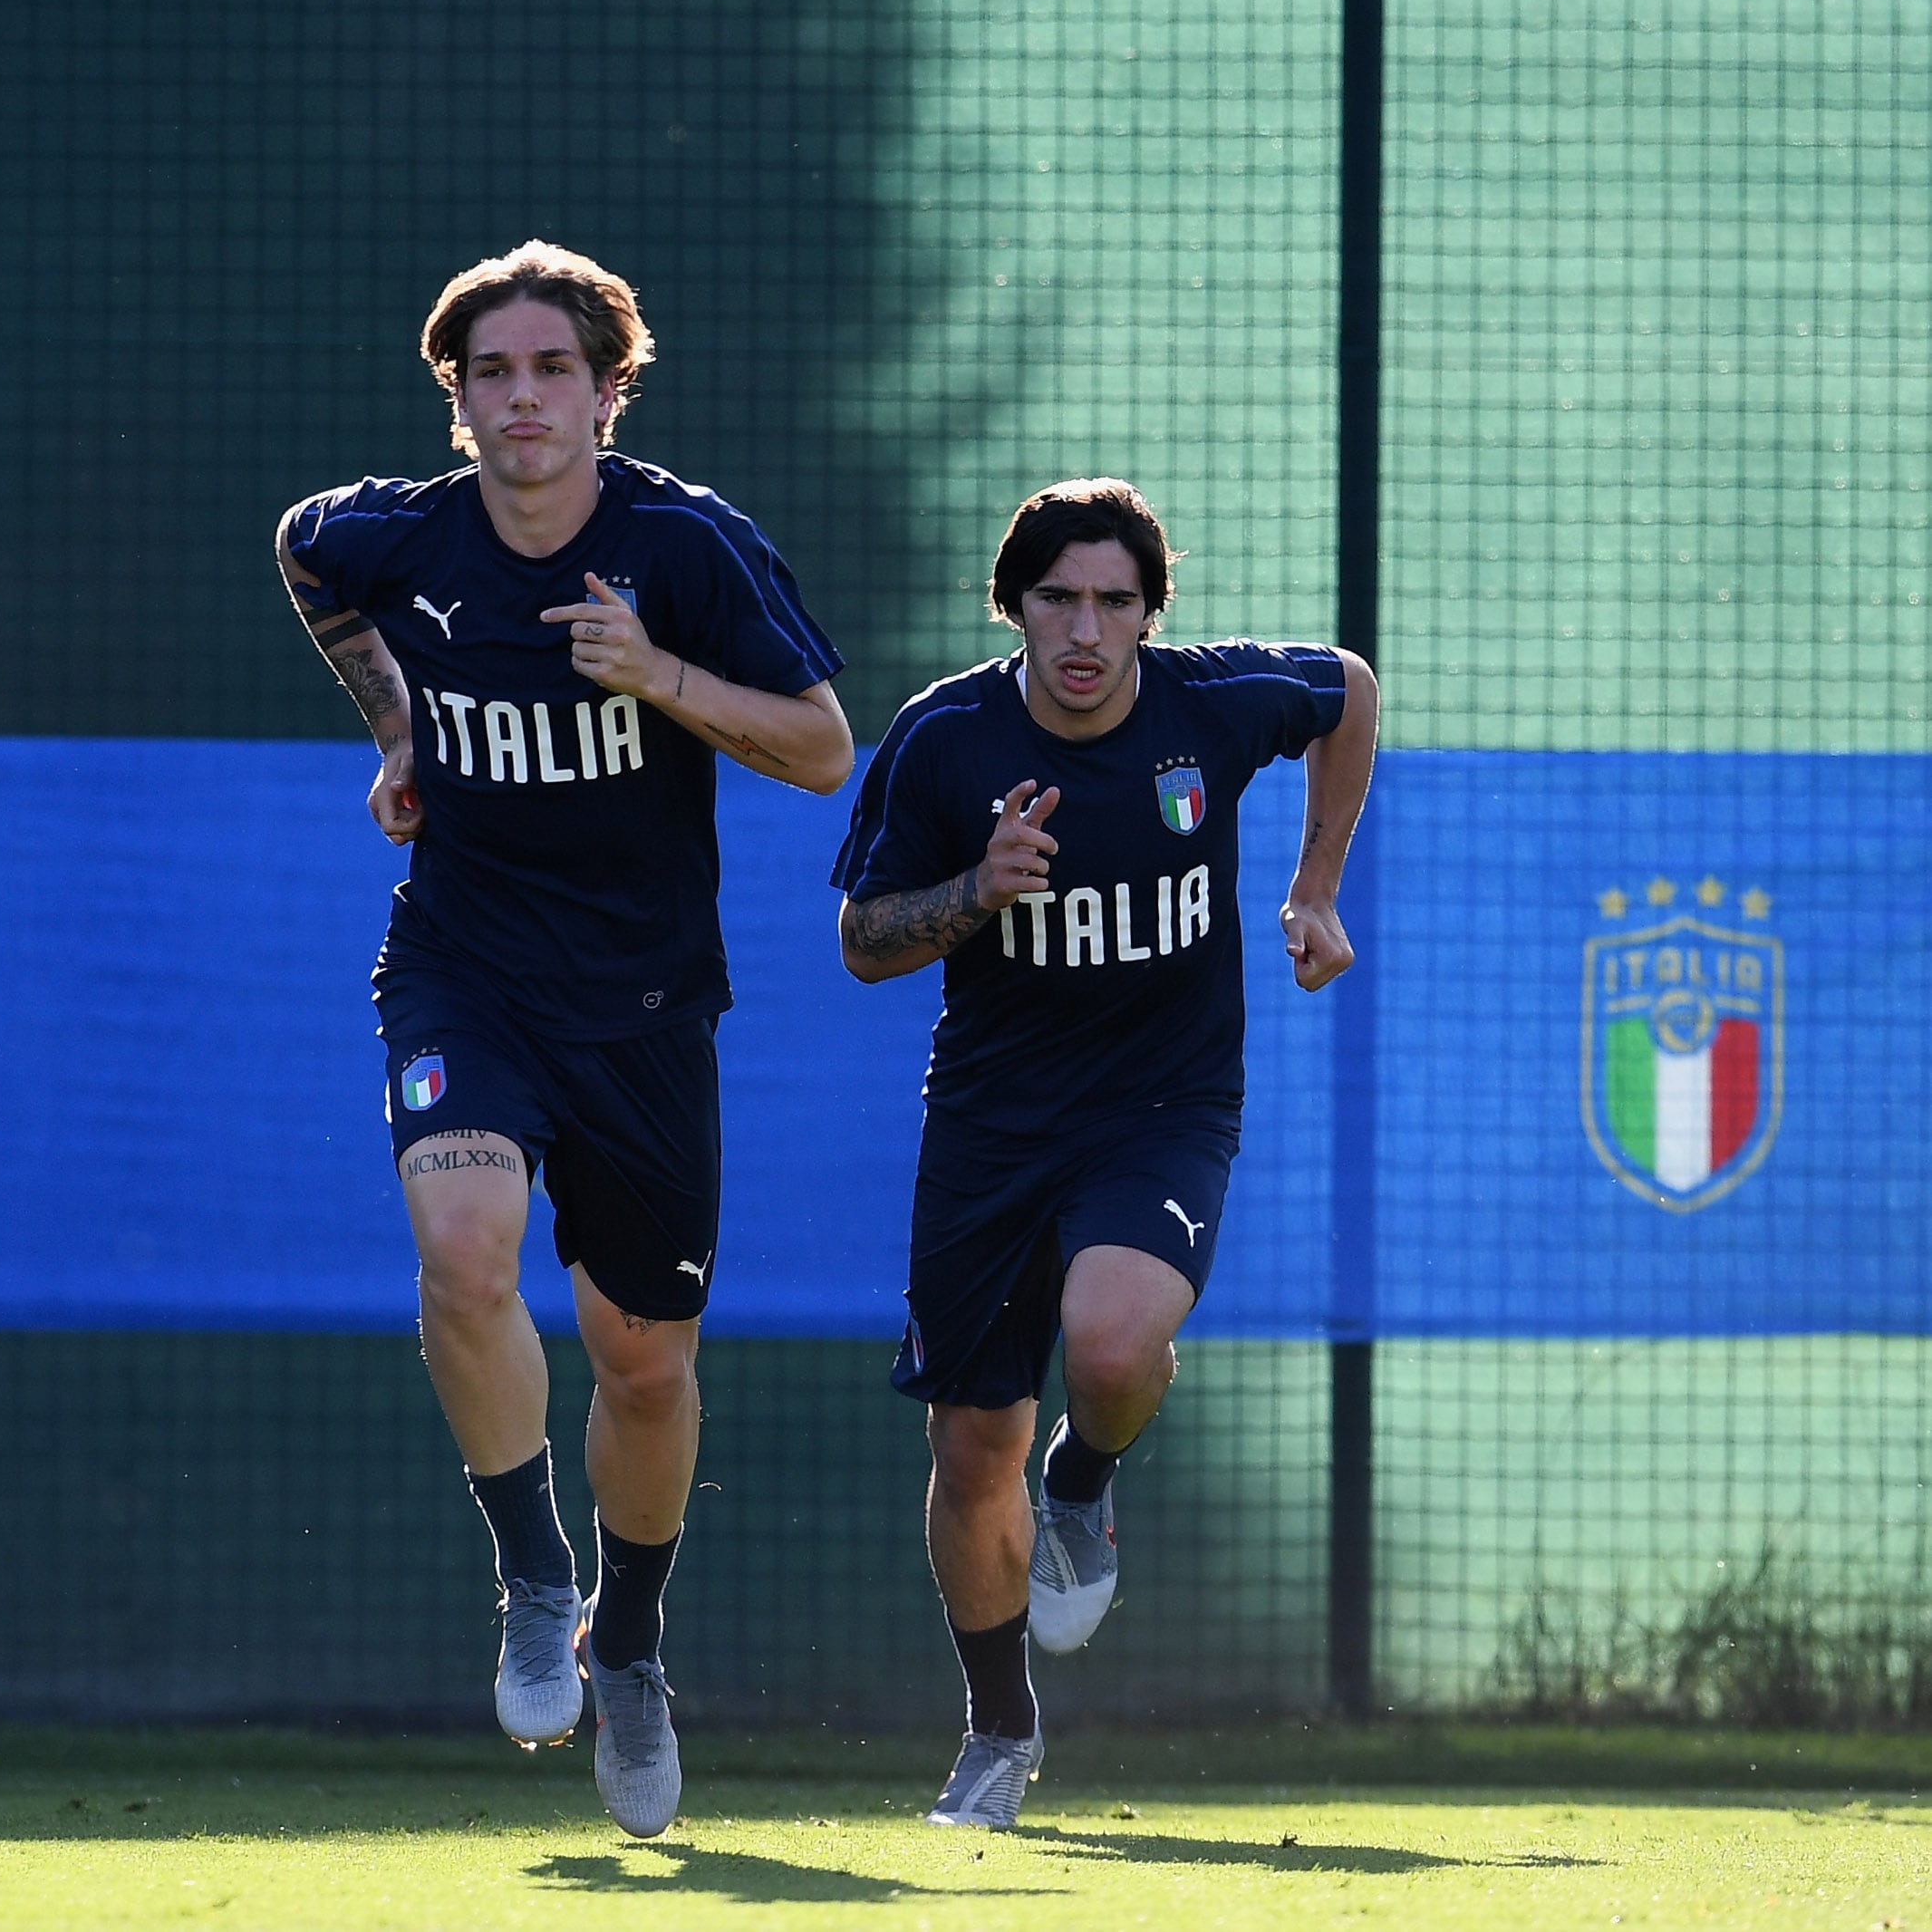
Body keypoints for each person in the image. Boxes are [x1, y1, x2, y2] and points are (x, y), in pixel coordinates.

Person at [275, 241, 852, 1838]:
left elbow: (819, 748)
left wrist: (655, 672)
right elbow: (306, 557)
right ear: (454, 400)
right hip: (461, 969)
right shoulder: (396, 532)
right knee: (462, 1252)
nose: (521, 399)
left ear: (610, 390)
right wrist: (396, 723)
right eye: (490, 374)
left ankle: (636, 1645)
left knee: (642, 1363)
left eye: (552, 371)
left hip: (647, 1009)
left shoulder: (686, 547)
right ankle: (534, 1576)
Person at [830, 478, 1377, 1827]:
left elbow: (1348, 687)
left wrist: (1314, 884)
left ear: (1149, 613)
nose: (1084, 628)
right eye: (1056, 598)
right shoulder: (945, 738)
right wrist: (977, 887)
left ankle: (1082, 1479)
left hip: (1163, 1105)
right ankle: (996, 1731)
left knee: (1117, 1346)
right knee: (971, 1446)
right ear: (1012, 604)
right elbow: (862, 942)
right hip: (991, 1125)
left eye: (1113, 601)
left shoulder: (1213, 705)